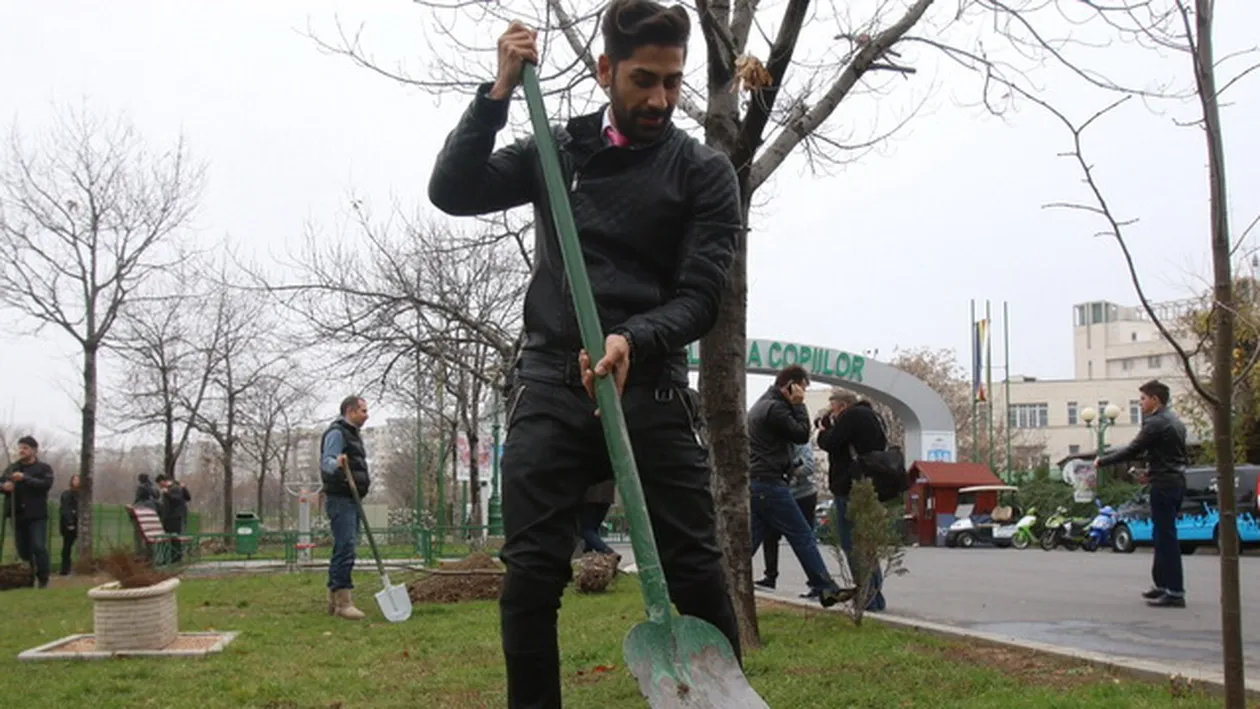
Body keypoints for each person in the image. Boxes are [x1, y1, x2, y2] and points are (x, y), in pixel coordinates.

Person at [429, 2, 743, 704]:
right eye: (643, 80)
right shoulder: (557, 148)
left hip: (652, 383)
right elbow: (452, 191)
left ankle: (722, 698)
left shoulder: (703, 174)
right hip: (552, 380)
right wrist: (498, 93)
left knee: (694, 566)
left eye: (673, 81)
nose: (661, 98)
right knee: (533, 572)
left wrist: (637, 336)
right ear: (604, 71)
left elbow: (701, 299)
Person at [747, 365, 850, 607]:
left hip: (760, 482)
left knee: (749, 541)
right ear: (791, 385)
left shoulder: (762, 404)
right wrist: (799, 405)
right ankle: (826, 587)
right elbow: (802, 434)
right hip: (771, 484)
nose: (804, 392)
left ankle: (720, 579)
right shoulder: (776, 408)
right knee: (803, 535)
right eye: (803, 387)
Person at [1095, 379, 1188, 608]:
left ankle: (1175, 591)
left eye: (1143, 399)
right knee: (1161, 534)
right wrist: (1151, 472)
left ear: (1155, 399)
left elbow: (1133, 449)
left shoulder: (1156, 422)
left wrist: (1103, 460)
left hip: (1165, 485)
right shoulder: (1175, 422)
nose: (1141, 404)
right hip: (1173, 481)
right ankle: (1162, 584)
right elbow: (1172, 457)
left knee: (1166, 536)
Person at [816, 390, 889, 611]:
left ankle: (868, 598)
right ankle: (875, 595)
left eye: (834, 408)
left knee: (852, 544)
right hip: (870, 486)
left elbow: (831, 442)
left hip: (850, 486)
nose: (833, 413)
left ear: (842, 406)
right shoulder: (874, 416)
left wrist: (823, 431)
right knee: (866, 544)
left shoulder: (851, 417)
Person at [320, 395, 372, 620]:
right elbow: (327, 461)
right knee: (346, 546)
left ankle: (334, 600)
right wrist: (338, 463)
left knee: (345, 546)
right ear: (350, 411)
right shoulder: (337, 433)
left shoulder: (353, 435)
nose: (366, 415)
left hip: (352, 497)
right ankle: (343, 602)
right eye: (363, 410)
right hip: (341, 498)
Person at [754, 441, 820, 596]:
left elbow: (809, 466)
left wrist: (790, 473)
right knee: (769, 536)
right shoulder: (774, 445)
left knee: (805, 538)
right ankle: (770, 576)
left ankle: (816, 582)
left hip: (802, 495)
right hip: (779, 494)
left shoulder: (800, 444)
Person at [1, 436, 55, 588]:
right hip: (18, 515)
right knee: (23, 550)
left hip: (36, 515)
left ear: (34, 450)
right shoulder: (12, 468)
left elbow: (45, 484)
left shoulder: (44, 469)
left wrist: (25, 478)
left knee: (38, 546)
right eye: (20, 447)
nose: (21, 451)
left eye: (25, 448)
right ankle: (27, 579)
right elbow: (2, 482)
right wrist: (5, 487)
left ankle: (43, 578)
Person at [156, 474, 192, 562]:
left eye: (159, 484)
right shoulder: (172, 488)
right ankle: (172, 558)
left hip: (173, 517)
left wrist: (166, 493)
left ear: (162, 481)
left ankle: (175, 558)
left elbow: (176, 499)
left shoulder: (174, 488)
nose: (159, 486)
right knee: (170, 538)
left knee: (174, 538)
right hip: (170, 517)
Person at [579, 479, 617, 556]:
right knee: (593, 529)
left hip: (590, 497)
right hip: (606, 497)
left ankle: (607, 552)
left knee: (585, 529)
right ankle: (588, 556)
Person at [59, 474, 80, 576]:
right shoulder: (67, 494)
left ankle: (78, 567)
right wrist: (70, 522)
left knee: (77, 547)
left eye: (79, 479)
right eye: (75, 479)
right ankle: (65, 569)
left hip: (79, 524)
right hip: (69, 525)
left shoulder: (83, 495)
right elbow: (65, 509)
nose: (77, 481)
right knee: (67, 547)